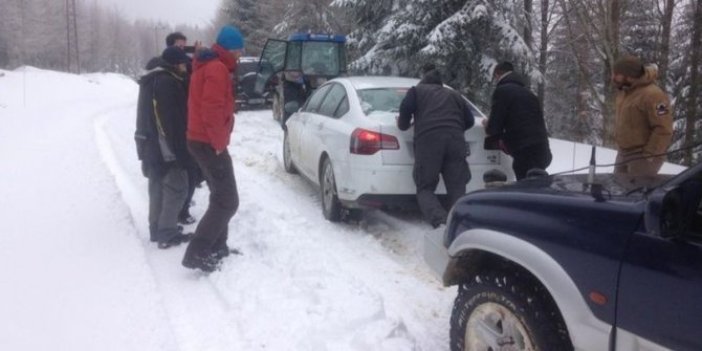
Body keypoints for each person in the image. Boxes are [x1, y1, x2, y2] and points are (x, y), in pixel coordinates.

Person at [182, 25, 244, 272]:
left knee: (220, 195)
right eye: (238, 51)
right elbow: (211, 110)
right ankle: (197, 253)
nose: (240, 56)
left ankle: (218, 247)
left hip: (200, 140)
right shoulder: (217, 69)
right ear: (229, 49)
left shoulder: (211, 66)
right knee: (228, 200)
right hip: (208, 142)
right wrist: (219, 143)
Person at [398, 64, 475, 228]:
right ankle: (461, 223)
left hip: (429, 142)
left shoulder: (416, 91)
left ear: (423, 79)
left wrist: (403, 124)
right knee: (457, 188)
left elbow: (405, 109)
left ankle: (439, 221)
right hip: (456, 141)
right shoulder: (454, 95)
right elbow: (470, 120)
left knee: (425, 187)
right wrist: (453, 128)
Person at [135, 46, 194, 249]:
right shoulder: (168, 83)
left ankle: (156, 229)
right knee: (177, 188)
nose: (186, 68)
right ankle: (167, 233)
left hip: (148, 143)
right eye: (184, 64)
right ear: (176, 65)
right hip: (164, 145)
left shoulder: (151, 80)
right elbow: (173, 121)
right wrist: (182, 151)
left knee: (157, 187)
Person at [483, 62, 552, 180]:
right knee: (538, 188)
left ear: (497, 74)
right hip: (542, 150)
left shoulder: (502, 91)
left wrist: (487, 126)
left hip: (524, 152)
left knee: (524, 191)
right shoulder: (529, 94)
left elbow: (495, 127)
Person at [612, 55, 673, 177]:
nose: (613, 78)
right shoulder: (625, 91)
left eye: (616, 74)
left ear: (629, 76)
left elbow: (664, 128)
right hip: (624, 153)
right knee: (618, 192)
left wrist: (650, 154)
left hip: (642, 156)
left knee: (635, 194)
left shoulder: (655, 95)